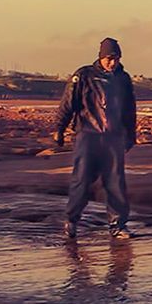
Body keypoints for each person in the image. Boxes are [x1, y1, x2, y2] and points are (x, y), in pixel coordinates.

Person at [55, 37, 137, 241]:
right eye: (109, 58)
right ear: (101, 57)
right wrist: (60, 128)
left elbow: (129, 109)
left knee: (115, 182)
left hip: (114, 137)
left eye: (116, 58)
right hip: (88, 135)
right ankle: (71, 221)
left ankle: (118, 225)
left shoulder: (123, 78)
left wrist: (131, 134)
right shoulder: (84, 75)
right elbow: (68, 103)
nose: (113, 62)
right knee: (81, 180)